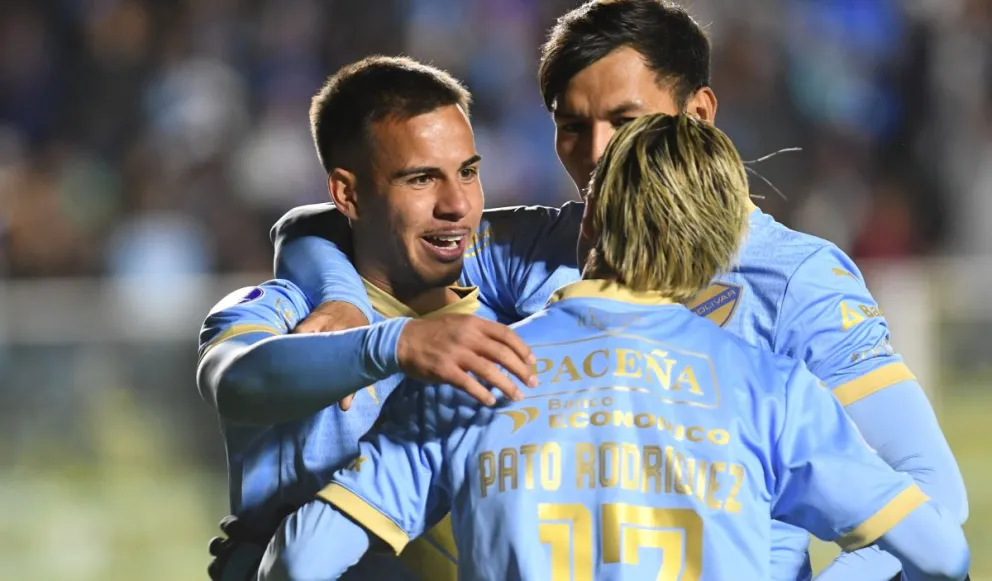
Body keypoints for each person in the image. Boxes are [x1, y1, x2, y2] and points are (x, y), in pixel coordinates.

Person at [267, 2, 967, 579]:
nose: (596, 153)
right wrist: (346, 300)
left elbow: (934, 488)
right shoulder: (543, 243)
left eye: (625, 123)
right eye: (571, 127)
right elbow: (330, 223)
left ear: (698, 114)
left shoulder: (796, 278)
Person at [196, 55, 537, 581]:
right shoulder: (290, 311)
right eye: (422, 179)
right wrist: (394, 345)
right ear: (346, 194)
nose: (458, 204)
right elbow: (235, 377)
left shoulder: (518, 310)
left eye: (468, 171)